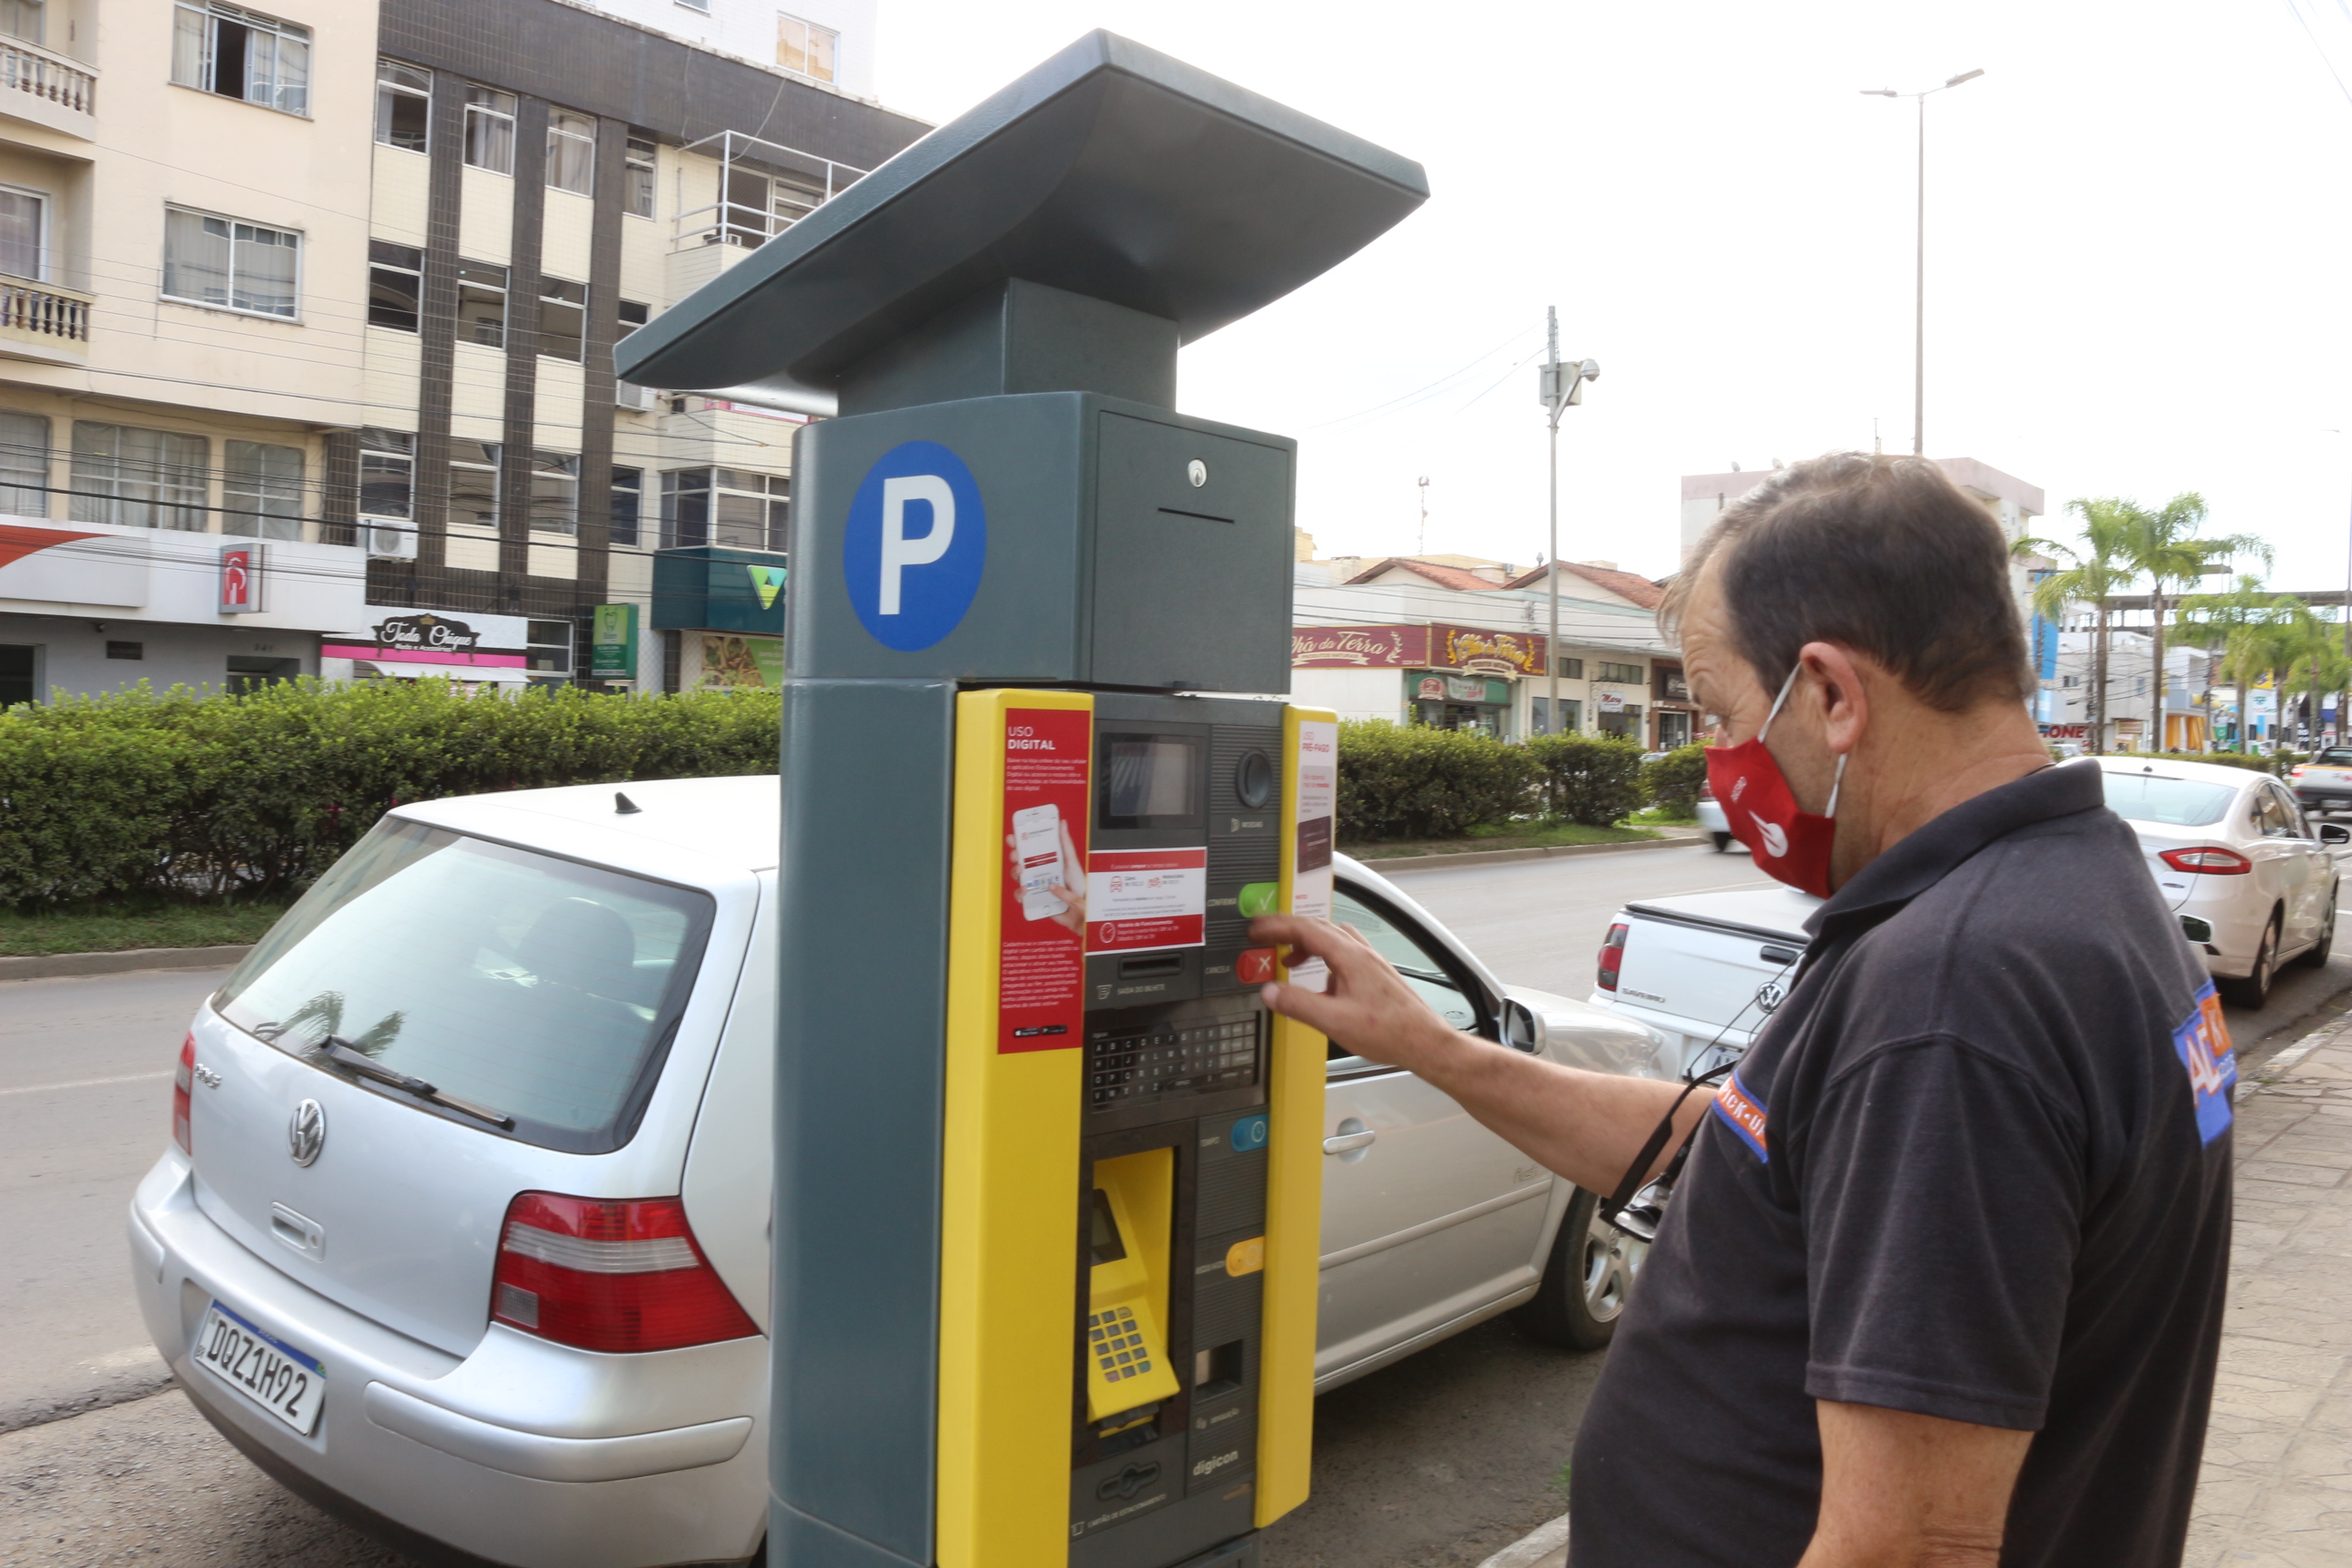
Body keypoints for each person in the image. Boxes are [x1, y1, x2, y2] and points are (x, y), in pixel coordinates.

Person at [1250, 453, 2232, 1568]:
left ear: (1830, 694)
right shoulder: (2074, 896)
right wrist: (1426, 1045)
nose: (1720, 761)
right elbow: (1741, 1158)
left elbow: (1909, 1545)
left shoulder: (1957, 991)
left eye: (1720, 712)